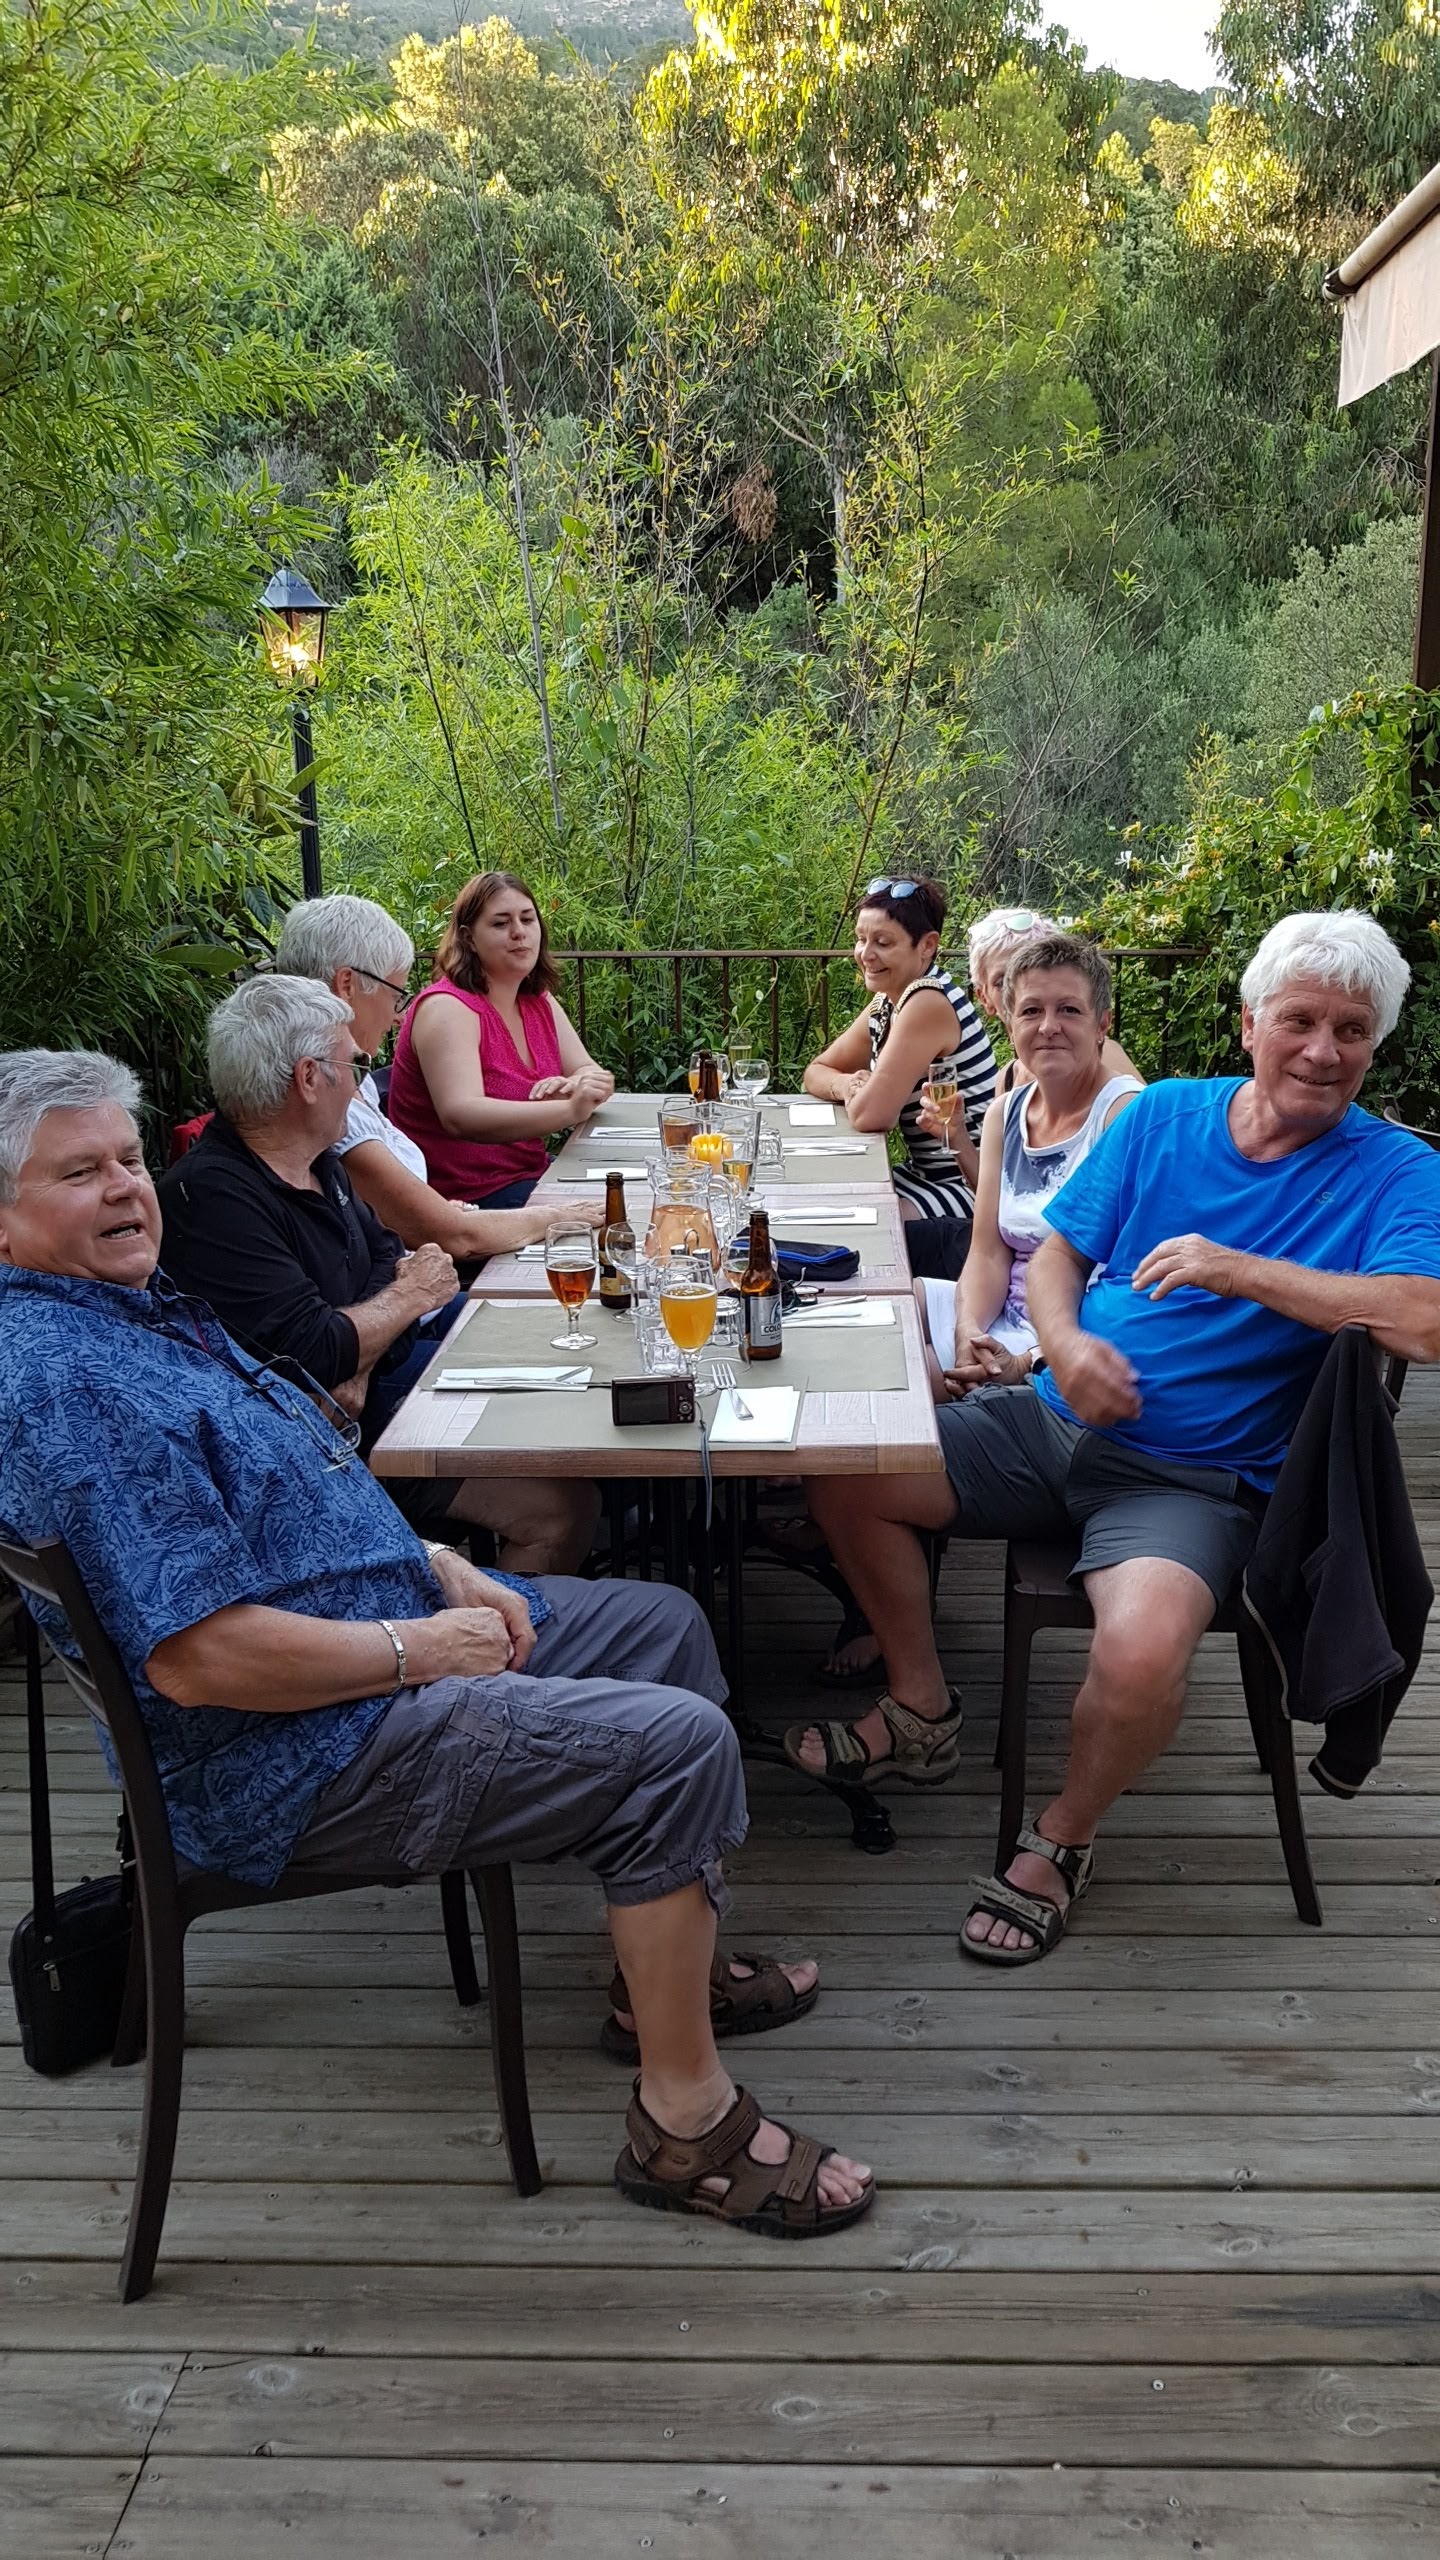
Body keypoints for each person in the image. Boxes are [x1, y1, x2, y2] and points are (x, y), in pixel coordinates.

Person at [0, 1048, 873, 2238]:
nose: (124, 1188)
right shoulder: (65, 1384)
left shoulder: (127, 1314)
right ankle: (685, 2124)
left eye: (127, 1159)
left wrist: (435, 1561)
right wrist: (424, 1647)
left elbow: (290, 1495)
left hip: (370, 1633)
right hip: (293, 1757)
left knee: (663, 1625)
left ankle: (656, 1982)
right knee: (676, 1745)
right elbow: (199, 1660)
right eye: (78, 1173)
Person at [787, 912, 1440, 1967]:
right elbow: (1055, 1256)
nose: (1324, 1051)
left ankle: (1061, 1837)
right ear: (1250, 1024)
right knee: (847, 1469)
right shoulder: (1166, 1115)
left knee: (1139, 1649)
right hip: (1052, 1421)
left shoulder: (1394, 1169)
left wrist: (1236, 1268)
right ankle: (921, 1705)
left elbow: (1425, 1320)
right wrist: (1064, 1346)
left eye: (1352, 1030)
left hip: (1191, 1482)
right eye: (1300, 1021)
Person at [157, 976, 600, 1575]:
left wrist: (363, 1348)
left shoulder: (317, 1162)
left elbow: (394, 1269)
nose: (361, 1089)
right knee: (562, 1509)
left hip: (368, 1398)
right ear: (309, 1078)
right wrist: (396, 1304)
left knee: (561, 1382)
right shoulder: (214, 1200)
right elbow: (322, 1345)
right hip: (310, 1455)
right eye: (353, 1065)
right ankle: (483, 1630)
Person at [274, 892, 603, 1264]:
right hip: (432, 1263)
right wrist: (557, 1216)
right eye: (395, 995)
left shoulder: (347, 1077)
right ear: (347, 985)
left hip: (446, 1235)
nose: (399, 1017)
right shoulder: (326, 1095)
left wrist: (444, 1211)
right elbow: (452, 1235)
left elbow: (410, 1218)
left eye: (528, 919)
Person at [916, 933, 1142, 1394]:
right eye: (1031, 1011)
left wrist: (1025, 1360)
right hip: (1004, 1315)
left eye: (1069, 1010)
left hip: (1072, 1338)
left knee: (909, 1380)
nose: (1048, 1026)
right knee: (888, 1317)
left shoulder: (1124, 1115)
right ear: (1009, 1022)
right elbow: (987, 1252)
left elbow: (1122, 1282)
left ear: (1102, 1023)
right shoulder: (1005, 1113)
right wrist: (967, 1331)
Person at [388, 870, 615, 1207]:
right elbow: (461, 1114)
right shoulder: (447, 1008)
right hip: (465, 1199)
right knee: (616, 1213)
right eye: (500, 923)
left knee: (642, 1187)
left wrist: (581, 1084)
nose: (519, 932)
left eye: (528, 919)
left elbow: (587, 1068)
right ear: (468, 938)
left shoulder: (537, 1000)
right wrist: (570, 1108)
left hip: (529, 1175)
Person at [802, 876, 996, 1225]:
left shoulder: (927, 1002)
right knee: (829, 1200)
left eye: (883, 942)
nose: (866, 954)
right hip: (922, 1174)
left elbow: (871, 1116)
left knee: (863, 1224)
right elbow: (815, 1071)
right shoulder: (889, 1001)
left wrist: (859, 1094)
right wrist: (847, 1085)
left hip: (969, 1183)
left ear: (927, 945)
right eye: (861, 939)